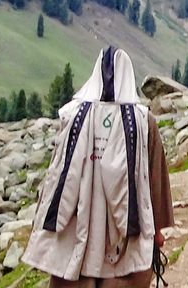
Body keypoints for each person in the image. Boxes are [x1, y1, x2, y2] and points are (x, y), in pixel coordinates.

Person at [24, 47, 174, 287]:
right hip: (125, 230)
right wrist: (156, 230)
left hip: (76, 221)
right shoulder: (143, 121)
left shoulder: (72, 116)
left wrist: (41, 220)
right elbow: (154, 179)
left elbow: (55, 174)